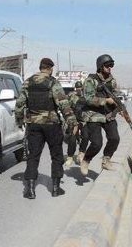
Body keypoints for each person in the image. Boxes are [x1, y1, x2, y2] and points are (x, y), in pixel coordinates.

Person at [15, 57, 77, 199]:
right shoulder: (53, 82)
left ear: (40, 67)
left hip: (34, 125)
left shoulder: (28, 82)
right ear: (50, 68)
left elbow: (19, 103)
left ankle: (30, 190)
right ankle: (55, 188)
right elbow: (63, 103)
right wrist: (72, 122)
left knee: (33, 156)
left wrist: (19, 120)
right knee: (56, 155)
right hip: (51, 124)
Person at [80, 54, 120, 176]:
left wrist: (118, 106)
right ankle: (86, 160)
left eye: (111, 65)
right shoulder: (90, 80)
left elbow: (115, 95)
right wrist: (105, 101)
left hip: (108, 114)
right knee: (97, 144)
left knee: (115, 139)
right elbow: (88, 99)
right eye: (107, 65)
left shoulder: (112, 81)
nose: (110, 68)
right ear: (100, 66)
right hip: (93, 115)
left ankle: (106, 160)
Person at [64, 80, 87, 167]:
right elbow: (66, 107)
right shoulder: (71, 96)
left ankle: (81, 154)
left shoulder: (86, 96)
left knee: (85, 137)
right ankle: (70, 157)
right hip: (73, 120)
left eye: (80, 87)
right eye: (77, 88)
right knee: (72, 138)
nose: (79, 89)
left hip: (84, 120)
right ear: (75, 88)